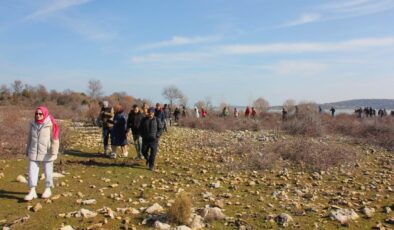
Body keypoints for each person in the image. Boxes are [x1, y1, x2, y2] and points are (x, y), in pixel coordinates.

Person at [25, 106, 59, 201]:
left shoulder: (50, 124)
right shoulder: (32, 124)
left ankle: (48, 189)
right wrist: (27, 149)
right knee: (32, 171)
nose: (38, 115)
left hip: (47, 152)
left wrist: (54, 151)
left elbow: (55, 138)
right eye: (36, 113)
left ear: (44, 114)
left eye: (40, 114)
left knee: (48, 172)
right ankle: (32, 190)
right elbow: (29, 138)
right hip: (33, 151)